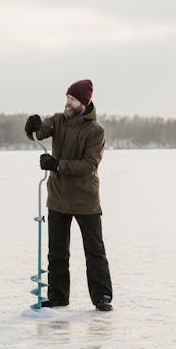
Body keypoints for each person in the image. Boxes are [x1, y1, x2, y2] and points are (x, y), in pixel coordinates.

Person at [24, 79, 113, 311]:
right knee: (57, 252)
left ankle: (102, 296)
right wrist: (31, 127)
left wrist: (56, 165)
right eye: (67, 97)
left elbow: (89, 165)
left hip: (86, 200)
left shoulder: (96, 131)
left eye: (72, 99)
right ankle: (57, 295)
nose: (67, 102)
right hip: (58, 198)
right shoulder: (58, 120)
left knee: (94, 250)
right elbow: (40, 132)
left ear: (83, 102)